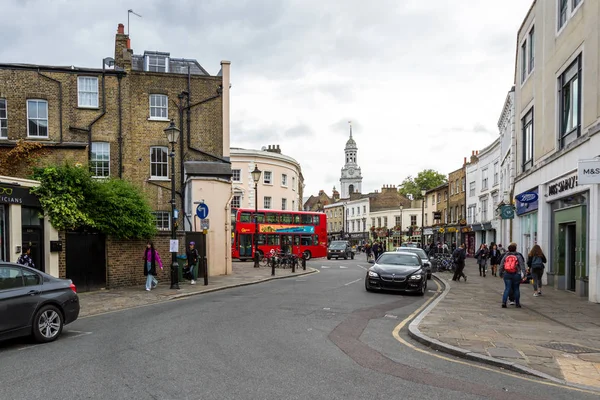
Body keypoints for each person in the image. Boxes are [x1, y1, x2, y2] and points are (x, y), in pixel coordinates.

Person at [499, 242, 526, 308]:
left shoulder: (505, 256)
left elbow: (501, 265)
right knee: (516, 289)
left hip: (507, 274)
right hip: (516, 274)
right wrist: (524, 274)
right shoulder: (518, 256)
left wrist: (500, 273)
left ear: (508, 249)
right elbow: (522, 266)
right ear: (515, 249)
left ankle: (504, 302)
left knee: (507, 288)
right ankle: (517, 303)